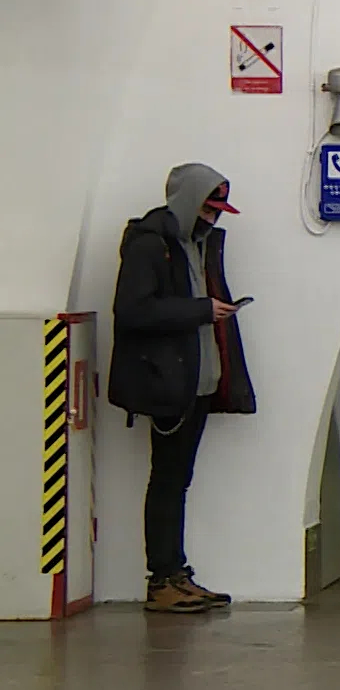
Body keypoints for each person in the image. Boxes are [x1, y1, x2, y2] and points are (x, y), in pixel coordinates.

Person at [108, 164, 257, 614]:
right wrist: (199, 311)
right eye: (210, 209)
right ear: (190, 201)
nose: (215, 218)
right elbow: (131, 312)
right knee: (168, 481)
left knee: (177, 481)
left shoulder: (197, 245)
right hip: (170, 385)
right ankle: (162, 580)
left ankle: (177, 573)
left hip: (198, 384)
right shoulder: (151, 246)